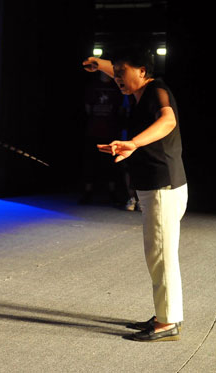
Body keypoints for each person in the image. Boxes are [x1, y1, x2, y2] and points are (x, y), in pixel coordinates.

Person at [83, 48, 187, 342]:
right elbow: (119, 71)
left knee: (161, 256)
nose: (116, 77)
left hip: (163, 188)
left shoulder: (156, 91)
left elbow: (168, 121)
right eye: (113, 72)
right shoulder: (142, 89)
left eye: (121, 72)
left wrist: (134, 144)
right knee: (159, 254)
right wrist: (100, 65)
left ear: (143, 71)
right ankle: (165, 315)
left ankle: (168, 323)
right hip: (159, 186)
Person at [80, 71, 125, 205]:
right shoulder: (93, 86)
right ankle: (88, 192)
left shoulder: (116, 87)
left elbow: (121, 108)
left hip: (111, 131)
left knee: (111, 164)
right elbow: (87, 107)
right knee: (90, 162)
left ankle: (112, 192)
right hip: (93, 130)